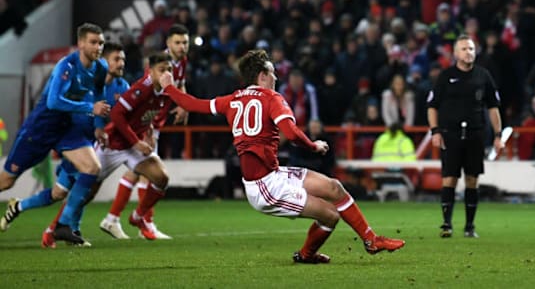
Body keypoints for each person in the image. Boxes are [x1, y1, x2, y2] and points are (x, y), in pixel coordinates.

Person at [159, 49, 404, 263]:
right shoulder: (272, 98)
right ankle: (307, 255)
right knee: (330, 214)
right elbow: (291, 132)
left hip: (274, 173)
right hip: (264, 186)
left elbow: (193, 104)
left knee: (334, 187)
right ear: (262, 76)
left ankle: (371, 240)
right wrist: (313, 146)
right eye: (273, 72)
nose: (276, 77)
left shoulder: (232, 99)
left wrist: (169, 87)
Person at [0, 42, 127, 248]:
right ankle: (54, 224)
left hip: (77, 140)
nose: (121, 63)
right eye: (117, 59)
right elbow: (58, 102)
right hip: (49, 132)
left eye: (123, 59)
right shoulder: (76, 74)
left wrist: (100, 128)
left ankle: (63, 227)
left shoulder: (121, 87)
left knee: (73, 184)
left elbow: (123, 113)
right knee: (6, 182)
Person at [103, 24, 188, 240]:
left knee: (140, 173)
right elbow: (145, 96)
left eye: (185, 42)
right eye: (177, 42)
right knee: (145, 174)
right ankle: (144, 223)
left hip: (155, 123)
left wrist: (182, 105)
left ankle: (116, 219)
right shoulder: (159, 65)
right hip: (149, 126)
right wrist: (146, 129)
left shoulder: (181, 63)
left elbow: (181, 85)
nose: (182, 47)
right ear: (168, 43)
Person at [427, 35, 504, 238]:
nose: (468, 52)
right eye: (463, 49)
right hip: (450, 135)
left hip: (475, 134)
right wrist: (435, 131)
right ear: (455, 53)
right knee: (449, 179)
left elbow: (493, 107)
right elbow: (432, 106)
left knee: (472, 179)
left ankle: (470, 226)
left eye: (471, 49)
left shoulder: (483, 76)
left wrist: (498, 135)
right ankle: (446, 224)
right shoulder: (445, 76)